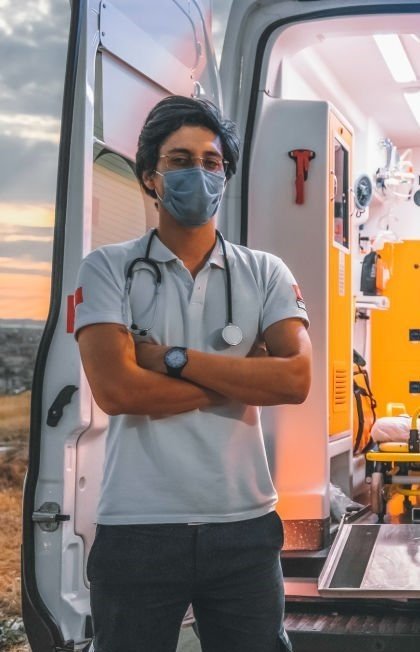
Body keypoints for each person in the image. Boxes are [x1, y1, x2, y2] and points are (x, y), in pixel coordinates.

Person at [75, 95, 312, 652]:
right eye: (180, 161)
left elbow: (295, 381)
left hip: (245, 524)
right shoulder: (108, 269)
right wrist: (239, 377)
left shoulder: (265, 272)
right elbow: (116, 391)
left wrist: (173, 360)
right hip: (138, 526)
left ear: (225, 176)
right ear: (150, 178)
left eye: (211, 162)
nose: (198, 174)